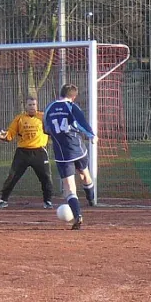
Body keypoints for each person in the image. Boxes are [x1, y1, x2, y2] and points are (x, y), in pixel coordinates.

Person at [43, 83, 98, 230]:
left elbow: (46, 129)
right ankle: (91, 199)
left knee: (69, 188)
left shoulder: (49, 108)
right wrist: (91, 135)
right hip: (78, 148)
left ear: (60, 93)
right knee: (84, 173)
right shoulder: (72, 107)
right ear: (73, 96)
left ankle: (78, 215)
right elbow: (81, 122)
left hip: (62, 153)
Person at [0, 96, 55, 209]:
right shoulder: (19, 119)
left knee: (45, 177)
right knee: (12, 176)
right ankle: (3, 199)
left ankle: (48, 201)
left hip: (39, 152)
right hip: (22, 152)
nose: (32, 107)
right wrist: (3, 137)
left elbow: (52, 130)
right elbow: (10, 134)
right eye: (30, 105)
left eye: (34, 104)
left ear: (37, 106)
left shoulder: (43, 117)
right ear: (25, 106)